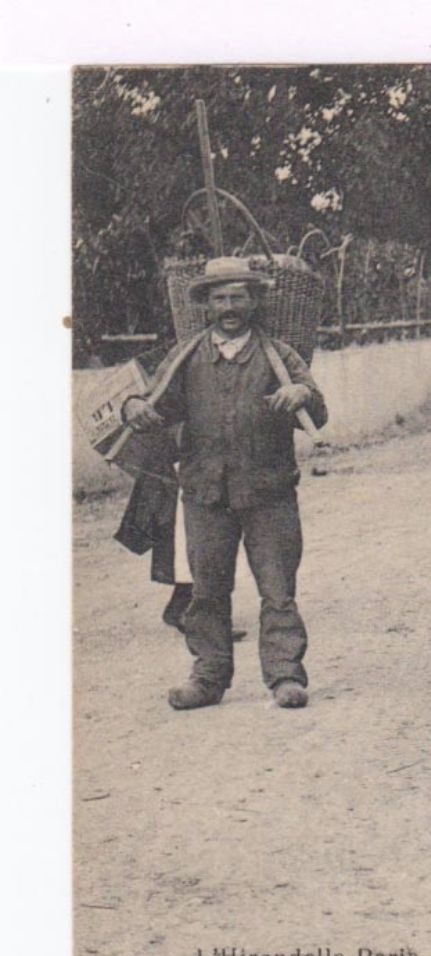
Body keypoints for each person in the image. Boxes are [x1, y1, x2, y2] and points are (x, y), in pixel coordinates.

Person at [121, 256, 328, 711]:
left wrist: (302, 394)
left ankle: (285, 676)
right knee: (207, 591)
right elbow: (154, 403)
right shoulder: (187, 356)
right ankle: (209, 678)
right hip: (204, 494)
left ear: (254, 302)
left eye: (239, 296)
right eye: (220, 298)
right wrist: (133, 408)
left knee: (277, 590)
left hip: (269, 493)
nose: (229, 306)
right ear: (206, 305)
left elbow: (318, 410)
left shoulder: (279, 355)